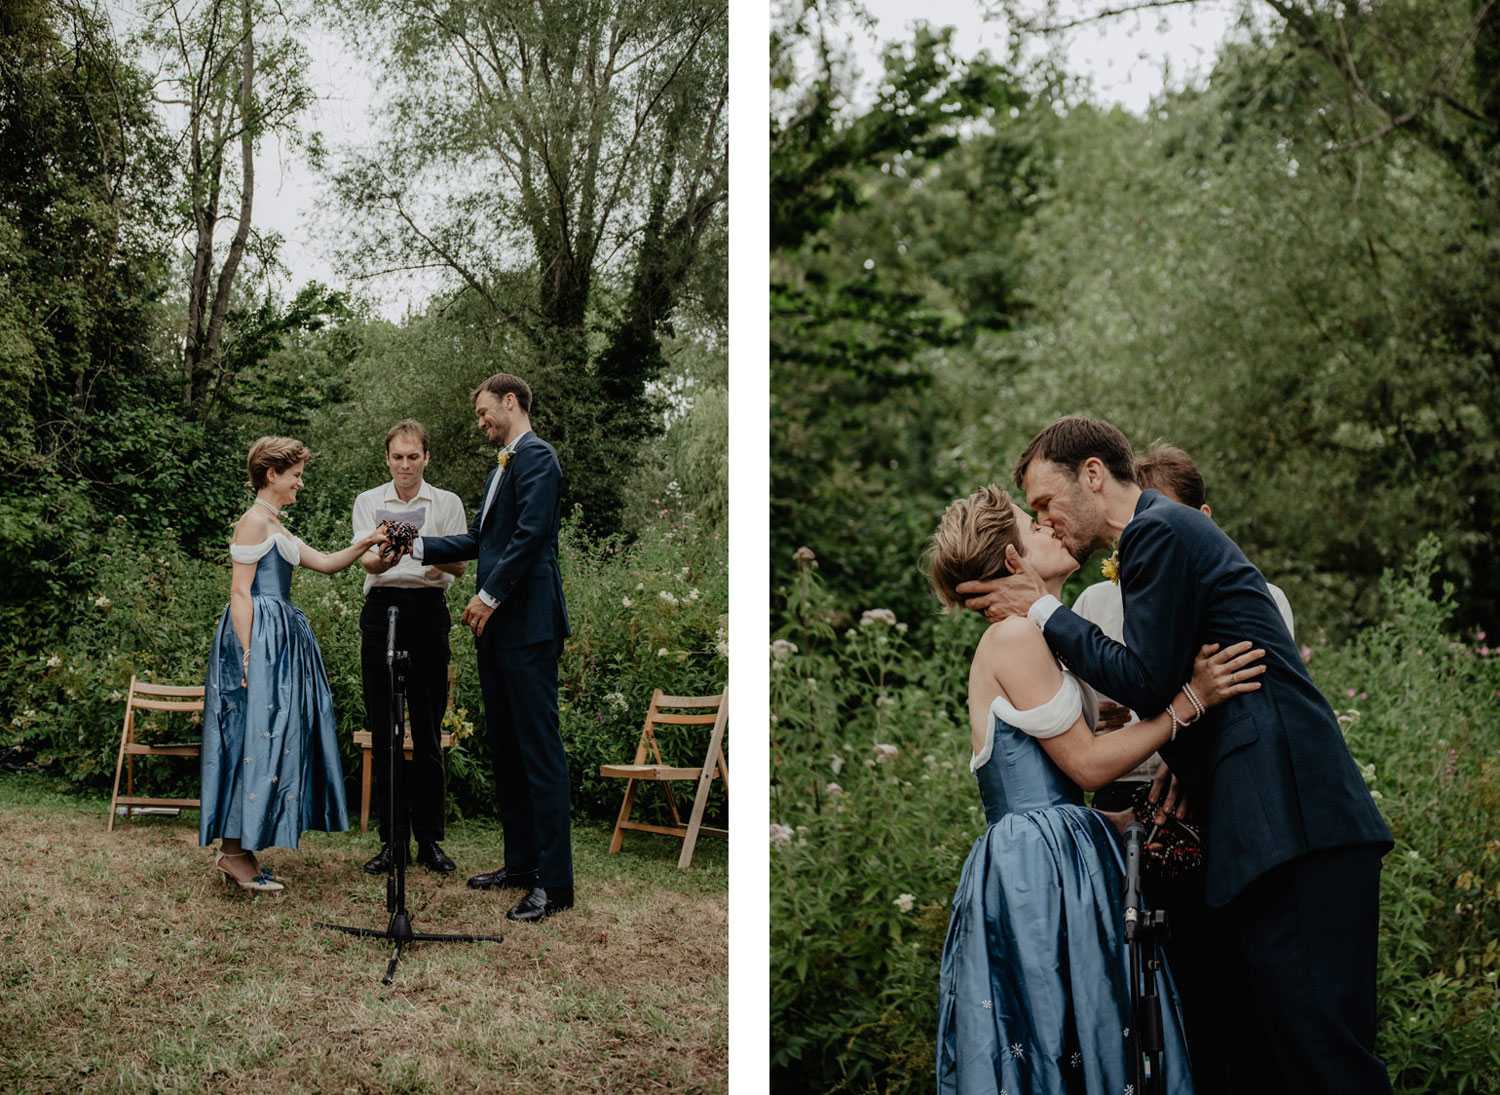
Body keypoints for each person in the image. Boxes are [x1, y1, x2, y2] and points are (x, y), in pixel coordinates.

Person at [958, 416, 1394, 1094]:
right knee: (1287, 1057)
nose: (1046, 520)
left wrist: (1042, 611)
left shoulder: (1155, 532)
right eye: (1033, 513)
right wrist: (1182, 749)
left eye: (1047, 502)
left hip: (1296, 827)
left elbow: (1147, 678)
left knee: (1326, 1061)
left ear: (1093, 474)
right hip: (1275, 833)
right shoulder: (1159, 538)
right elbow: (1159, 686)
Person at [927, 484, 1266, 1095]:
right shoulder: (1013, 638)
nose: (1050, 528)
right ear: (1013, 560)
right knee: (1058, 1027)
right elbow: (1085, 767)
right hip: (1036, 866)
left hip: (1062, 851)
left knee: (1090, 1028)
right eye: (1033, 528)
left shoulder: (1045, 639)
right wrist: (1193, 700)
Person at [1072, 441, 1297, 1090]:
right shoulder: (1094, 606)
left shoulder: (1252, 593)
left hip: (1210, 805)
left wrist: (1188, 752)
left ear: (1203, 519)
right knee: (1133, 987)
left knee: (1219, 985)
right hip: (1124, 807)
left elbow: (1255, 704)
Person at [402, 373, 573, 922]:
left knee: (539, 753)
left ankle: (556, 883)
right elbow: (482, 540)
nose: (480, 423)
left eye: (483, 412)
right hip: (498, 632)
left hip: (528, 625)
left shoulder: (538, 457)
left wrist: (489, 595)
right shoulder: (501, 467)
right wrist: (415, 543)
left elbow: (530, 536)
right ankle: (521, 864)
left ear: (510, 401)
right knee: (506, 748)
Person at [200, 437, 389, 891]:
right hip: (259, 636)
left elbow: (324, 563)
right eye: (296, 474)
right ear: (272, 475)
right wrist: (247, 654)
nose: (300, 483)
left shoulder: (274, 523)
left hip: (281, 636)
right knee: (250, 735)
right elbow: (240, 592)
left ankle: (242, 849)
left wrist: (368, 541)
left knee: (272, 737)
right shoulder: (253, 523)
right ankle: (232, 854)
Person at [353, 420, 470, 877]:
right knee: (385, 731)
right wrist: (390, 551)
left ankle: (429, 841)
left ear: (426, 457)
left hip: (427, 611)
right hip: (382, 611)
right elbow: (365, 559)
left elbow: (460, 563)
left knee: (427, 730)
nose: (405, 464)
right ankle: (391, 842)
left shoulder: (447, 503)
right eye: (397, 457)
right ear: (387, 459)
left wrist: (416, 546)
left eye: (413, 456)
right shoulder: (368, 501)